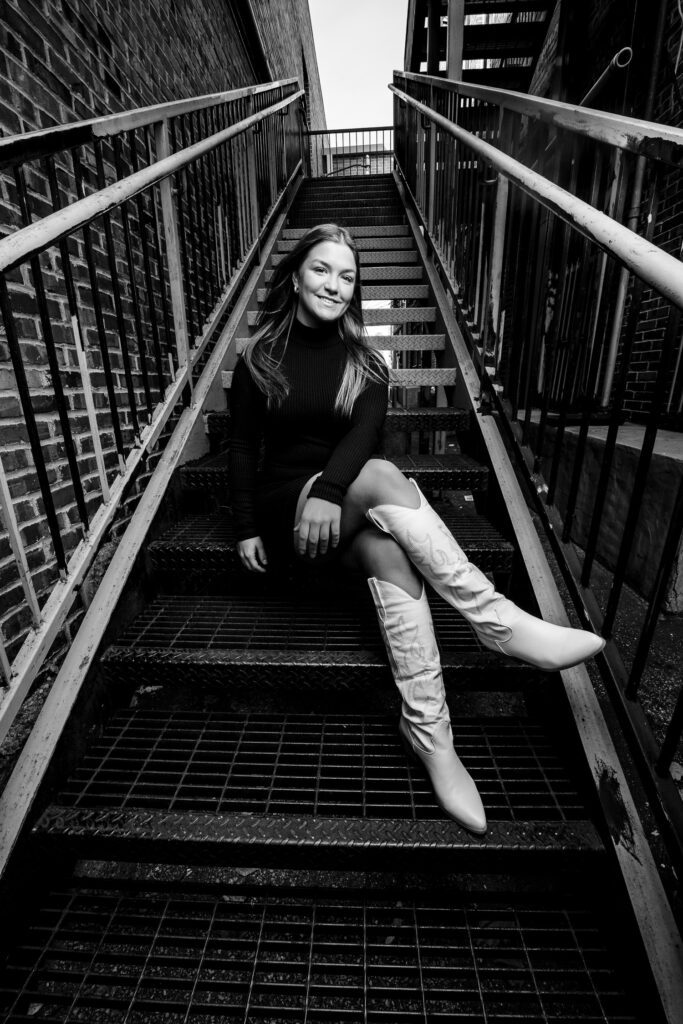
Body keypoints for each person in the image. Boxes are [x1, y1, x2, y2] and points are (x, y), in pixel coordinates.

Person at [228, 223, 605, 836]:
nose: (335, 284)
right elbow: (243, 448)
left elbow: (362, 438)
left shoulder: (367, 363)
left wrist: (331, 491)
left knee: (393, 555)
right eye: (322, 269)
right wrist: (248, 525)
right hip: (286, 510)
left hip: (341, 504)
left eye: (348, 276)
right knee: (381, 475)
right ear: (296, 276)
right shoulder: (258, 356)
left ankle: (430, 736)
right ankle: (496, 622)